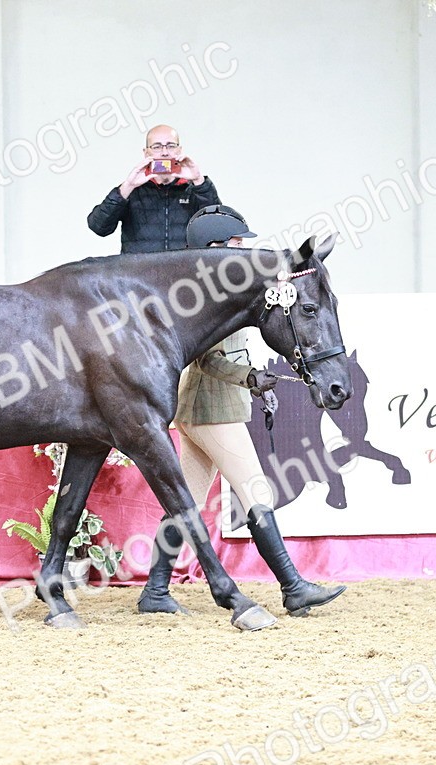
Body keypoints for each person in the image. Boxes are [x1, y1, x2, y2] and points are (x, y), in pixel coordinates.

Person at [137, 205, 347, 629]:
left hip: (209, 407)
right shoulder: (207, 293)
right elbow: (208, 360)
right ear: (215, 248)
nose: (243, 249)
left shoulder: (229, 288)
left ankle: (155, 591)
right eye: (235, 244)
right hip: (213, 407)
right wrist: (250, 377)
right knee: (256, 492)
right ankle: (293, 586)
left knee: (189, 501)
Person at [86, 124, 220, 253]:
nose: (164, 152)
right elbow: (99, 227)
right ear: (146, 153)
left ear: (179, 150)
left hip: (184, 273)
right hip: (138, 275)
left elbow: (218, 228)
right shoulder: (132, 190)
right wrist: (128, 186)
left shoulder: (194, 189)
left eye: (171, 146)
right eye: (157, 147)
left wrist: (198, 180)